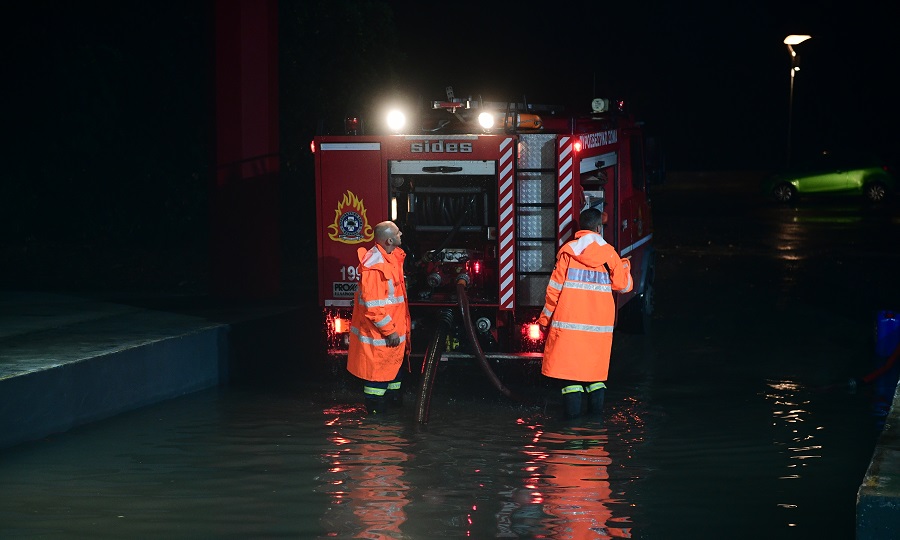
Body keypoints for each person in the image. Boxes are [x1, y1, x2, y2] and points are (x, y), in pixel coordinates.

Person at [537, 208, 633, 419]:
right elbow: (623, 286)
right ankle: (595, 425)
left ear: (581, 228)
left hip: (569, 326)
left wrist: (544, 319)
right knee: (595, 376)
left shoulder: (567, 252)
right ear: (599, 228)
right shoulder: (610, 254)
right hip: (598, 329)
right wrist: (625, 265)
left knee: (570, 378)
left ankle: (571, 427)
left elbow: (553, 291)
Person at [347, 221, 411, 415]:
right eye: (398, 233)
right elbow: (373, 307)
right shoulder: (376, 267)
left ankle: (391, 418)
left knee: (391, 377)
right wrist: (390, 331)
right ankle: (376, 422)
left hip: (391, 337)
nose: (401, 234)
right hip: (382, 337)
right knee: (377, 382)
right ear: (389, 240)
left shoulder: (391, 257)